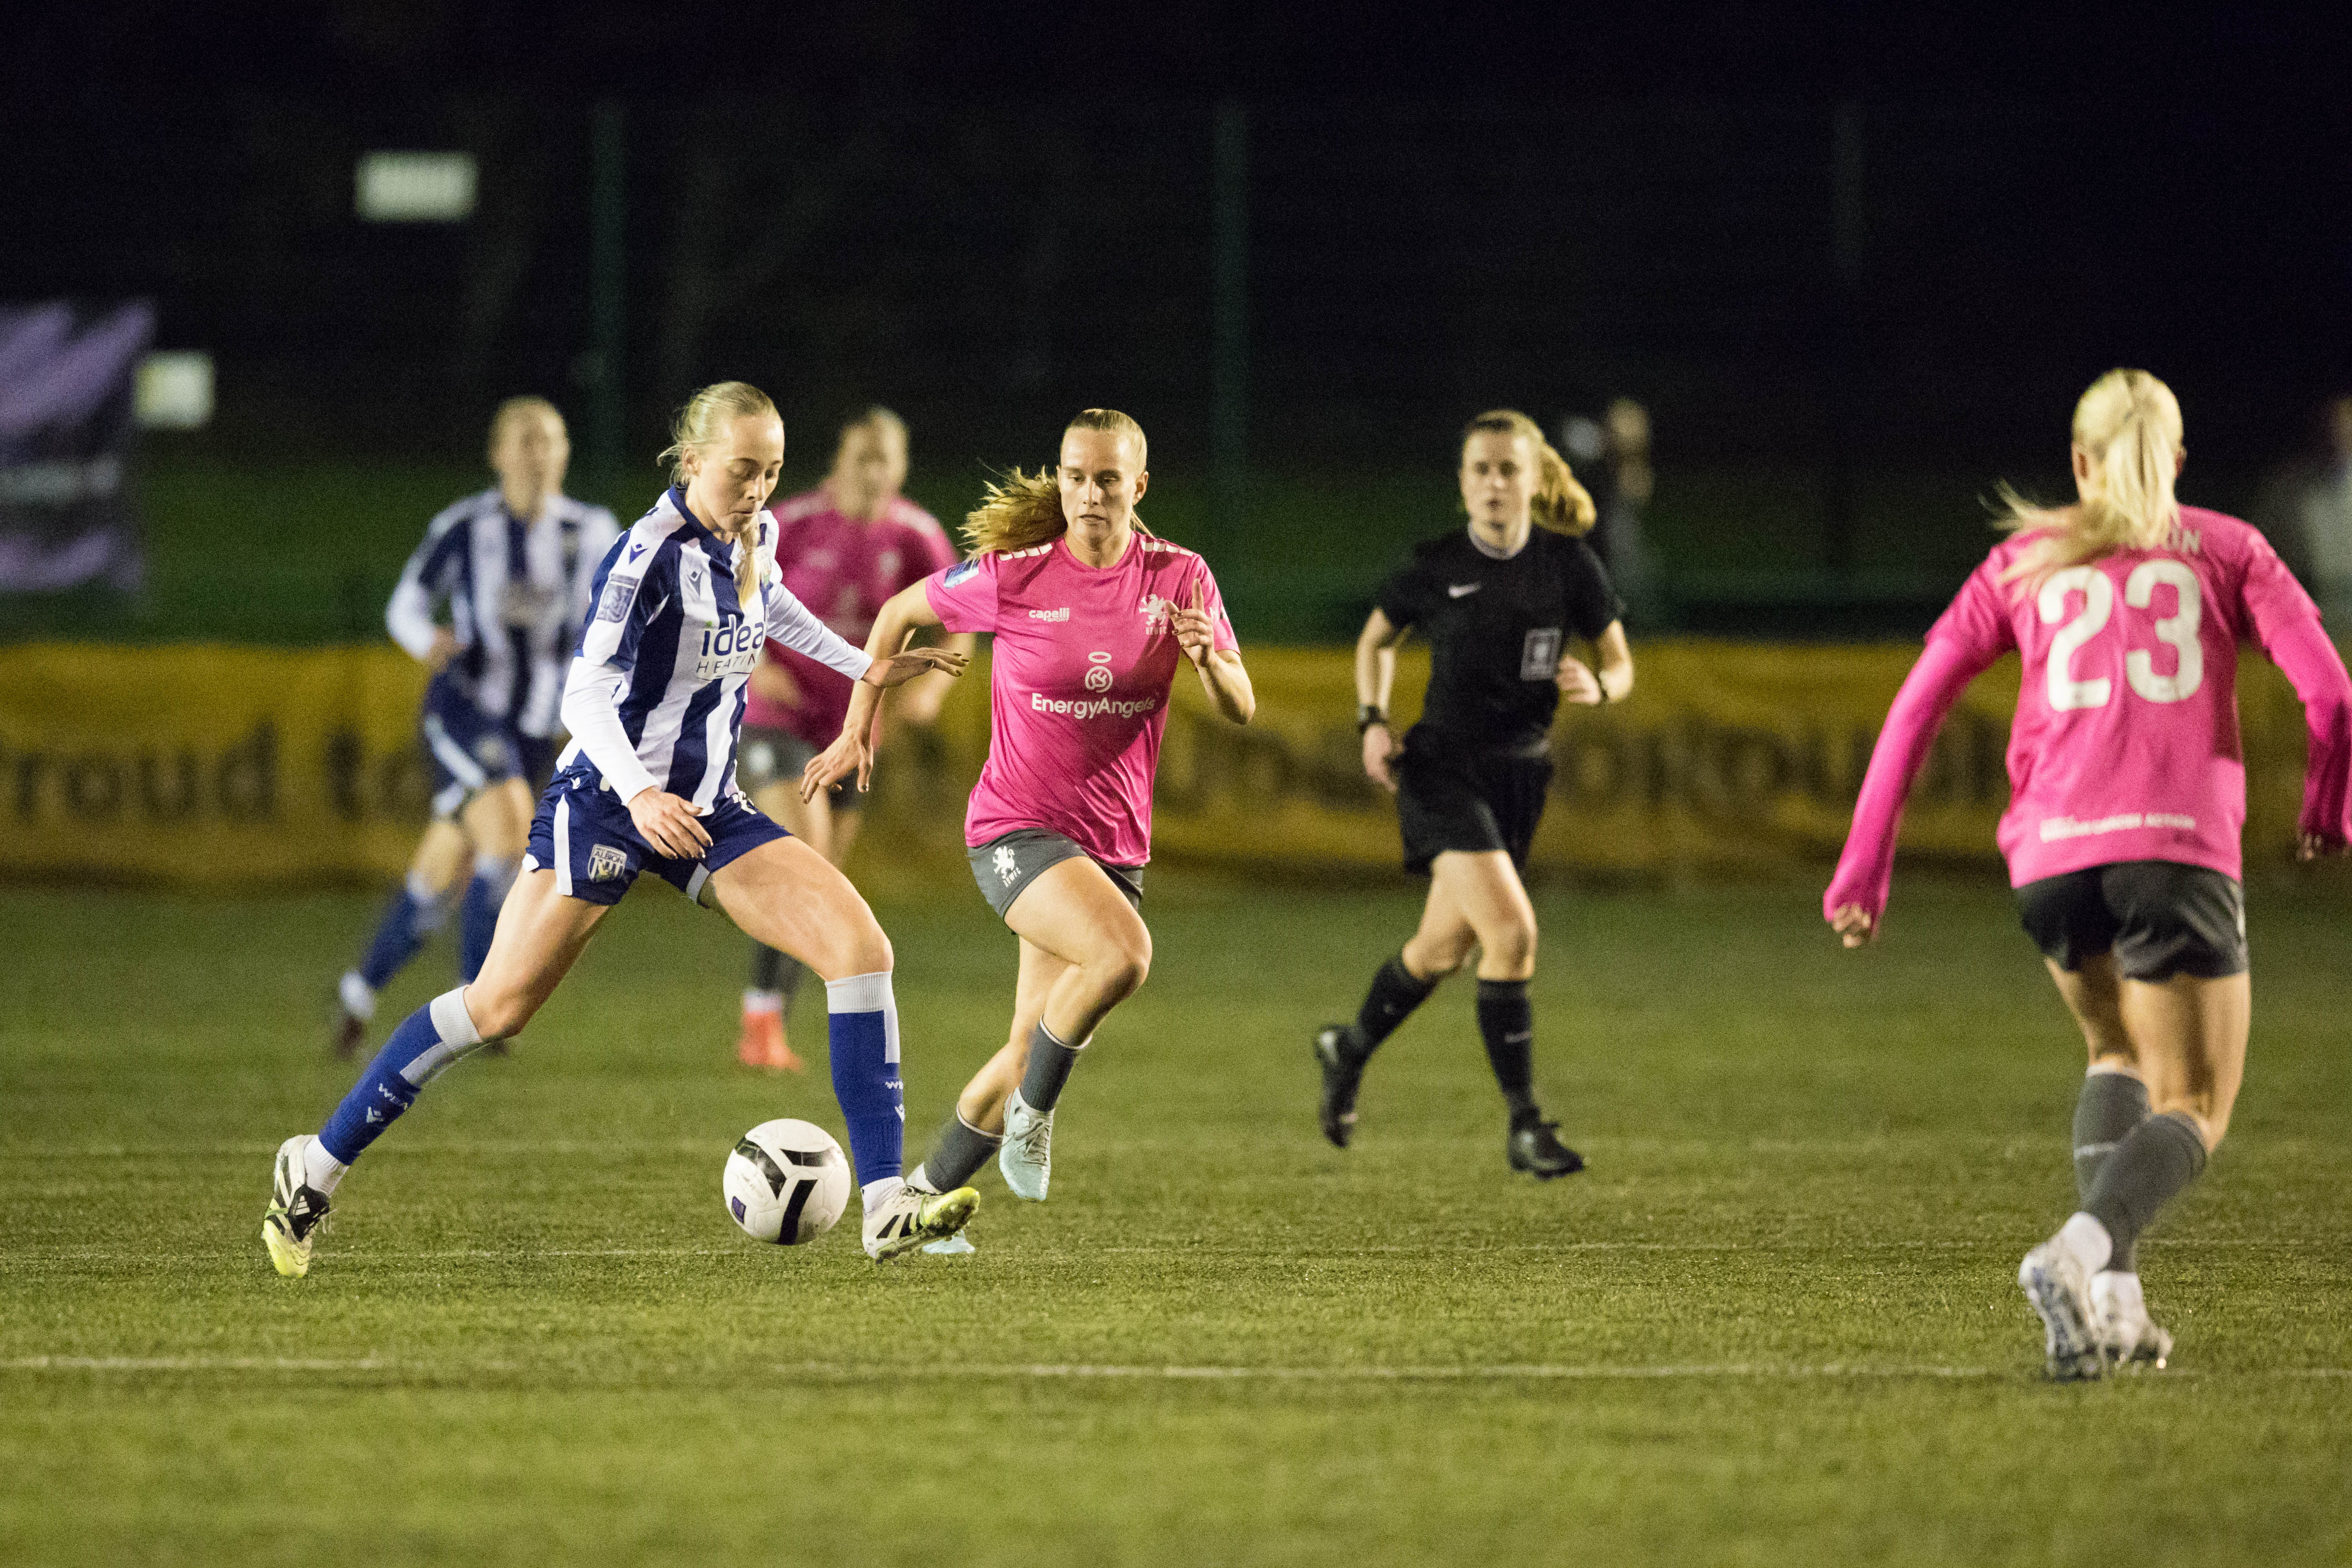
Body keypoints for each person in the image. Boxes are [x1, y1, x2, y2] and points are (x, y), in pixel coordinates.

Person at [263, 383, 979, 1276]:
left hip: (710, 808)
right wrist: (639, 794)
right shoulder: (645, 554)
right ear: (692, 462)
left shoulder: (755, 534)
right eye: (741, 470)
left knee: (859, 946)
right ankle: (314, 1166)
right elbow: (583, 693)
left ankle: (884, 1206)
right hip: (606, 801)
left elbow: (775, 611)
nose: (758, 489)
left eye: (773, 472)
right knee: (496, 1007)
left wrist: (867, 666)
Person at [1824, 369, 2352, 1379]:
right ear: (2179, 461)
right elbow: (2330, 698)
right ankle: (2076, 1252)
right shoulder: (2231, 547)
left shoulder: (2021, 558)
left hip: (2051, 857)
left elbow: (1913, 707)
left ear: (2077, 461)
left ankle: (2113, 1307)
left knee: (2115, 1054)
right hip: (2172, 846)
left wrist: (1862, 865)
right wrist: (2326, 808)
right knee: (2194, 1103)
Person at [804, 408, 1254, 1238]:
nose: (1088, 493)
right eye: (1075, 476)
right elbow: (899, 612)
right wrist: (857, 724)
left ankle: (912, 1205)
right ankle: (1035, 1120)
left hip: (1111, 846)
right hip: (1016, 829)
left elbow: (1240, 704)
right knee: (1124, 955)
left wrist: (1209, 660)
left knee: (1023, 1050)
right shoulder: (1015, 576)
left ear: (1137, 487)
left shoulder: (1180, 577)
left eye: (1107, 479)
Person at [1312, 410, 1633, 1177]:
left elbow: (1620, 663)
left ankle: (1345, 1049)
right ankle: (1525, 1125)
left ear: (1531, 478)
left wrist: (1602, 684)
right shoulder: (1436, 564)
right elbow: (1374, 640)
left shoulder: (1568, 566)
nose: (1494, 482)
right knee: (1513, 935)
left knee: (1440, 950)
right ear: (1462, 483)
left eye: (1507, 469)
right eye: (1480, 470)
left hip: (1521, 777)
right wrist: (1371, 721)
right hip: (1440, 771)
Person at [333, 398, 617, 1057]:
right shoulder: (467, 527)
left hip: (534, 727)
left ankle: (357, 992)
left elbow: (617, 607)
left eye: (549, 440)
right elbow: (405, 601)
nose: (536, 454)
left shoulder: (593, 529)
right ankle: (478, 1001)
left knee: (440, 874)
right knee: (512, 838)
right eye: (523, 441)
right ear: (497, 454)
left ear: (565, 452)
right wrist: (421, 637)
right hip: (463, 708)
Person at [733, 407, 971, 1072]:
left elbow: (962, 617)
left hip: (851, 732)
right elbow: (730, 594)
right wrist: (756, 663)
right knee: (805, 858)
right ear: (839, 459)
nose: (872, 471)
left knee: (819, 885)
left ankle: (765, 1019)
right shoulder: (796, 522)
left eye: (885, 459)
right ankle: (764, 1022)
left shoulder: (916, 534)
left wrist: (931, 688)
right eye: (861, 456)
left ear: (900, 468)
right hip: (774, 719)